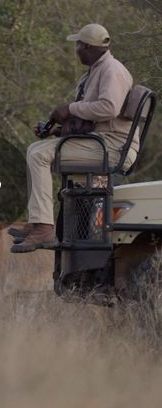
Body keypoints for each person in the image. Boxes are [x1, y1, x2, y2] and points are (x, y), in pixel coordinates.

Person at [10, 23, 138, 253]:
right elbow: (93, 119)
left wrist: (70, 109)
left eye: (78, 45)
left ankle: (44, 229)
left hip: (112, 147)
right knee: (35, 148)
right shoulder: (97, 70)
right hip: (99, 141)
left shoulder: (112, 70)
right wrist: (57, 130)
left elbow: (109, 108)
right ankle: (39, 221)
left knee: (39, 155)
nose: (76, 49)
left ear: (87, 47)